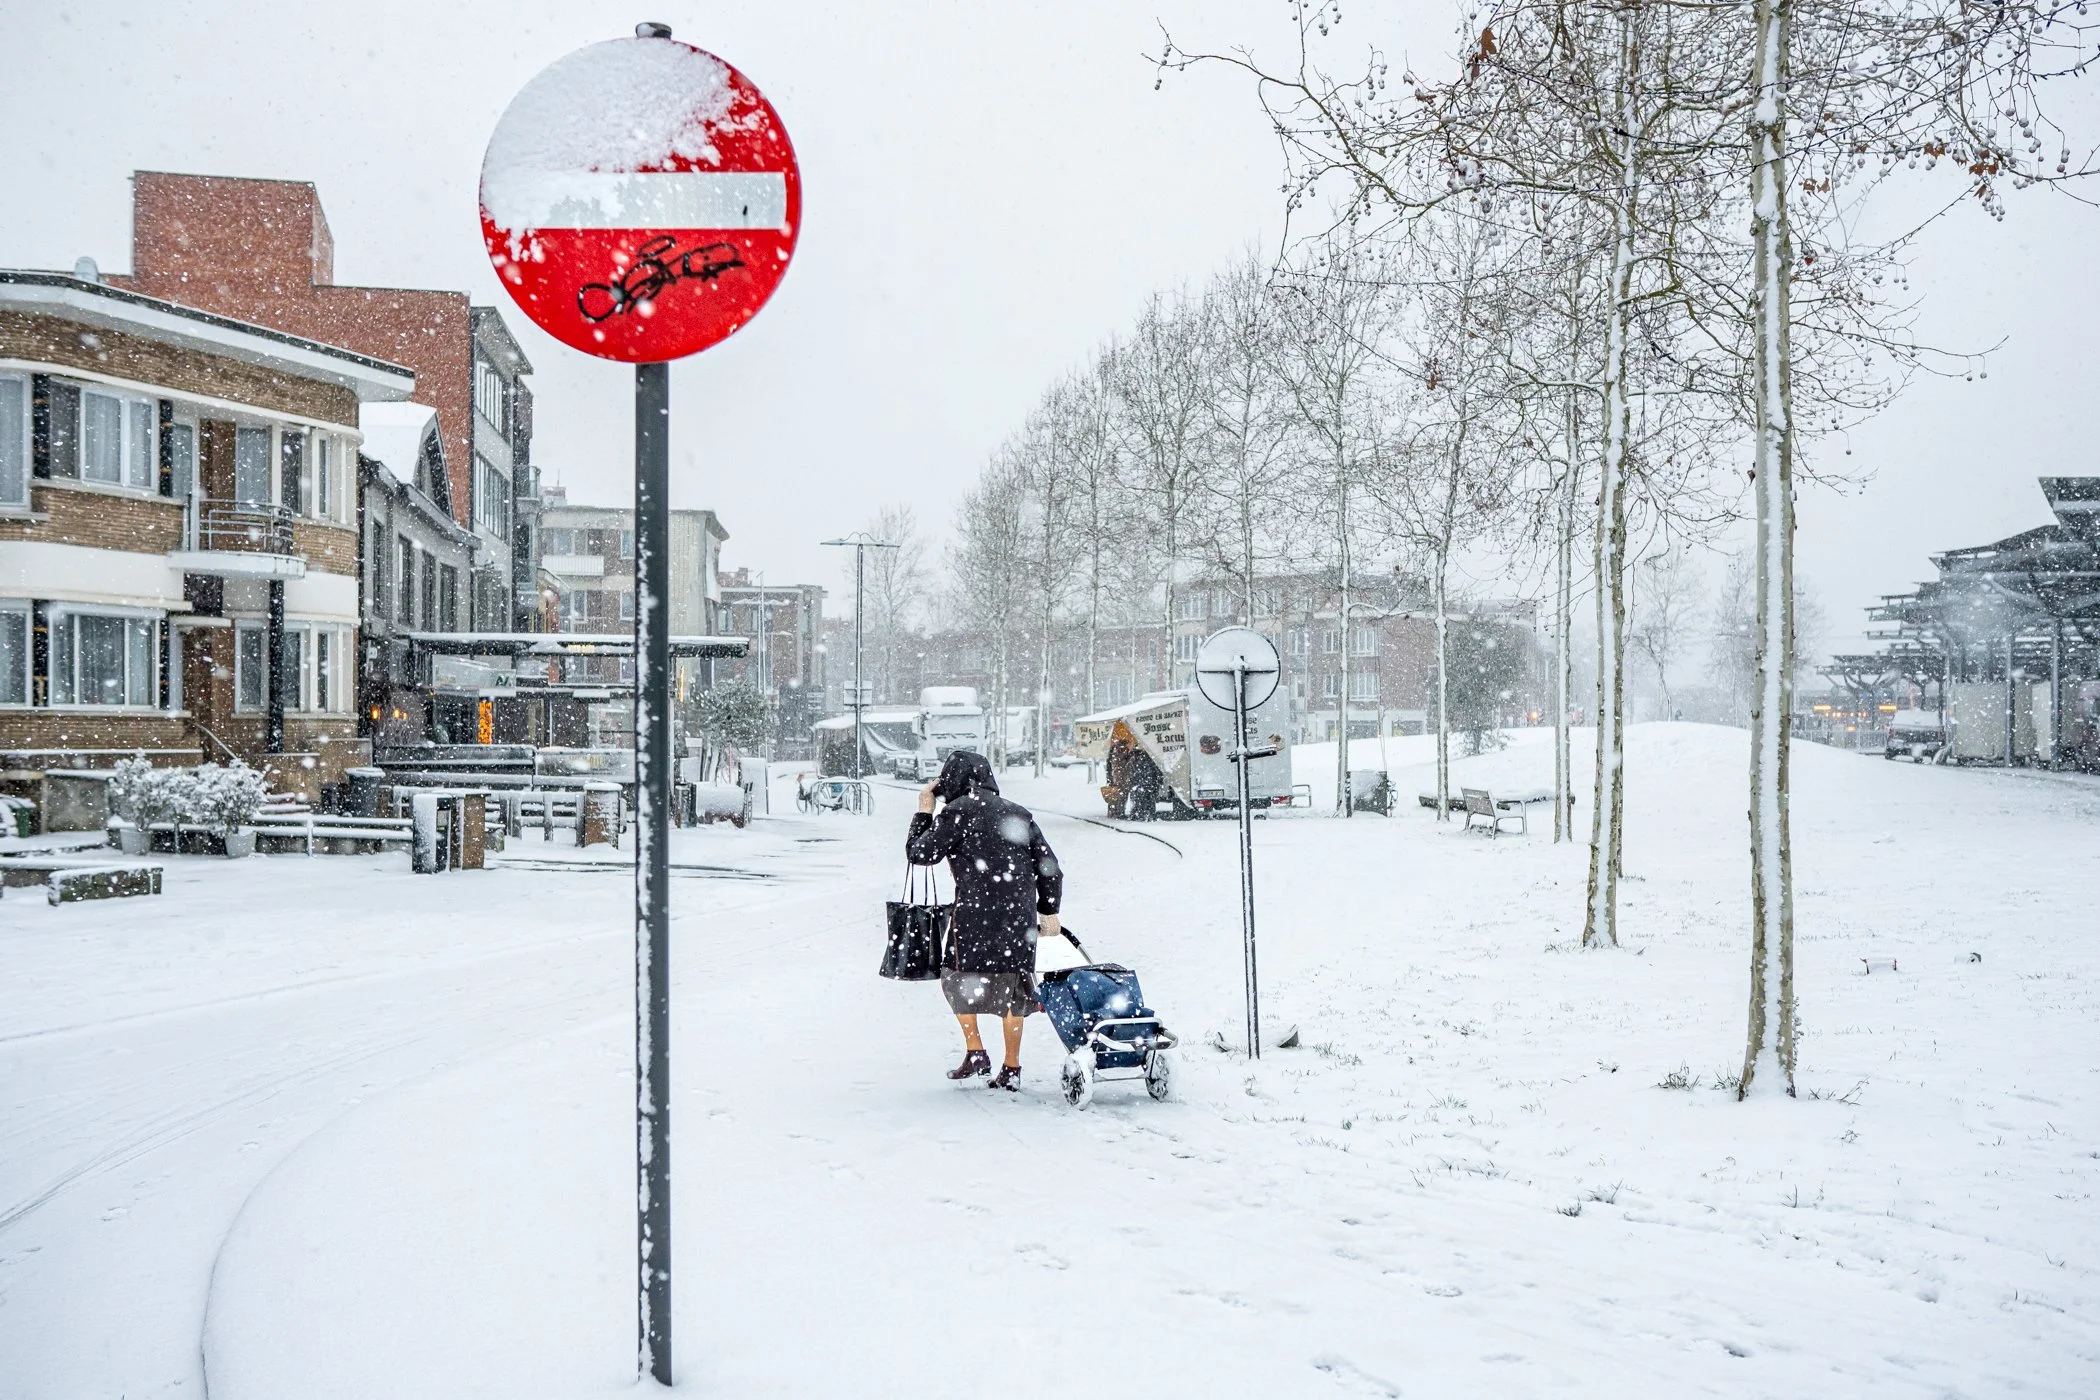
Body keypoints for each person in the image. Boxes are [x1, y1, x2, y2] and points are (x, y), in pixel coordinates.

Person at [906, 749, 1062, 1090]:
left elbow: (920, 854)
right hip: (1017, 920)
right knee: (1013, 992)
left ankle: (976, 1050)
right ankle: (1011, 1067)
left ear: (950, 781)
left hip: (973, 918)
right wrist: (1048, 910)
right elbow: (1050, 868)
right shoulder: (1018, 814)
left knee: (955, 981)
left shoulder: (958, 813)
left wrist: (924, 810)